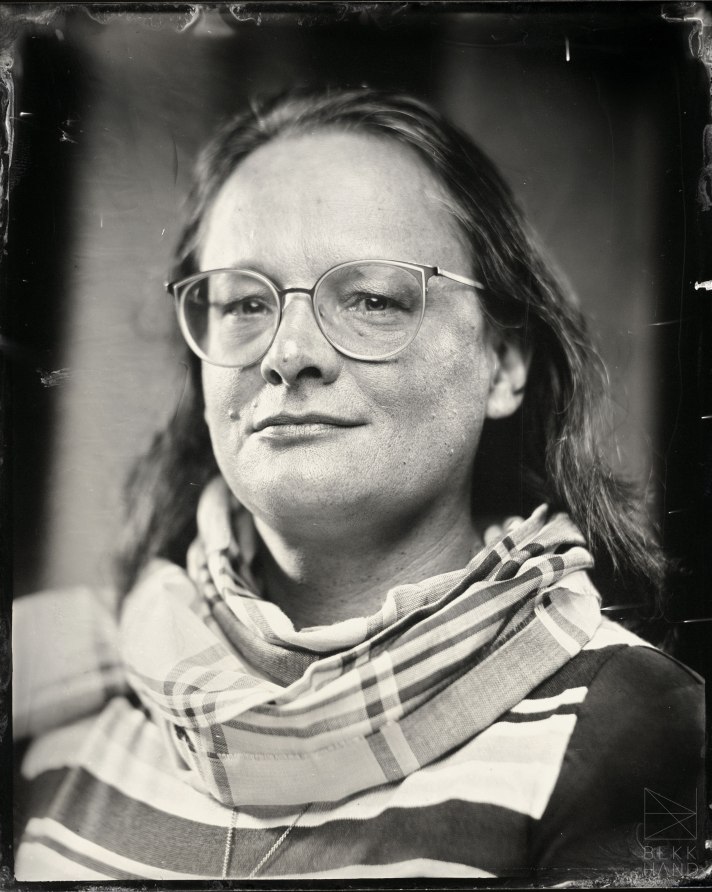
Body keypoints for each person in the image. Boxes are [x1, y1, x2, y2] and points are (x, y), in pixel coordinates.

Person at [13, 88, 704, 882]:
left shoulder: (630, 728)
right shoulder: (58, 687)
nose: (289, 352)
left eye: (373, 298)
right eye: (243, 303)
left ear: (504, 362)